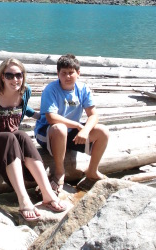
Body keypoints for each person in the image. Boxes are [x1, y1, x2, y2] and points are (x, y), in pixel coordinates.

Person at [0, 58, 67, 222]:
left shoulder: (25, 91)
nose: (15, 79)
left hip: (9, 139)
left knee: (23, 136)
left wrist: (36, 115)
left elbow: (22, 107)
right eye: (9, 75)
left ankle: (48, 194)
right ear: (1, 77)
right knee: (11, 138)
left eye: (18, 75)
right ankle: (23, 199)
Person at [35, 54, 109, 193]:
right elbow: (51, 118)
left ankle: (92, 171)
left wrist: (85, 130)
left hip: (70, 134)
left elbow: (94, 115)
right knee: (60, 128)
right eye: (64, 73)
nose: (68, 76)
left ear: (78, 73)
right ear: (58, 74)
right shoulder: (51, 90)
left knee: (103, 131)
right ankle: (59, 172)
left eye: (71, 73)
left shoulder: (82, 89)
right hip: (48, 132)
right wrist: (76, 125)